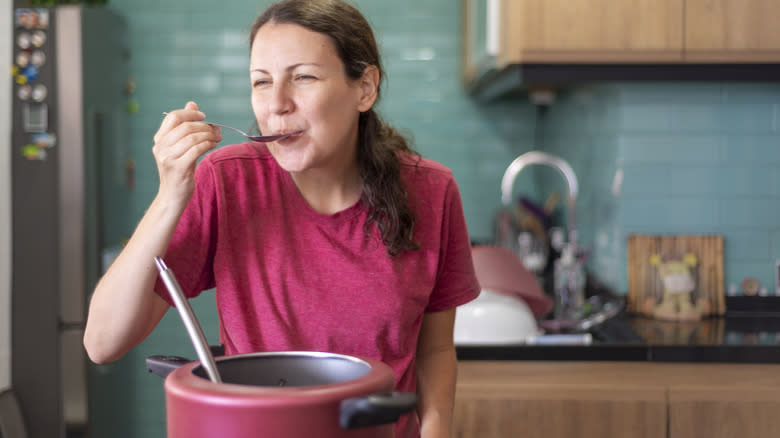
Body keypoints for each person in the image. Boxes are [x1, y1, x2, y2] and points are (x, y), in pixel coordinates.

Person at [83, 0, 480, 436]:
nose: (276, 104)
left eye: (303, 77)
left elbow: (436, 349)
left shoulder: (432, 191)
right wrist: (170, 195)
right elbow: (103, 342)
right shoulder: (226, 180)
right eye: (261, 82)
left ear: (364, 88)